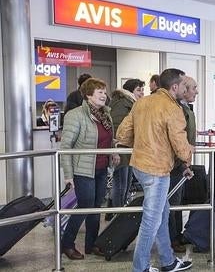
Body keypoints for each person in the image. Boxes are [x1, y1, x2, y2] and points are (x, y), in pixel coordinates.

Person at [116, 68, 194, 272]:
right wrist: (188, 156)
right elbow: (180, 146)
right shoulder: (172, 108)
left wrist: (144, 142)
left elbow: (122, 134)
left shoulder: (141, 102)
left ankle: (167, 261)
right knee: (151, 221)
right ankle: (140, 268)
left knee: (161, 212)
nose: (186, 89)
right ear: (174, 87)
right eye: (184, 86)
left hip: (139, 167)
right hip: (157, 171)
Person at [60, 78, 120, 260]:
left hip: (102, 168)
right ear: (88, 95)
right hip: (83, 170)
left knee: (95, 208)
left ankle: (91, 244)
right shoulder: (75, 115)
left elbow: (107, 140)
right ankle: (67, 244)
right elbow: (65, 146)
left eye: (104, 91)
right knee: (85, 207)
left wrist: (114, 151)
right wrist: (68, 175)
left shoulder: (106, 115)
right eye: (99, 92)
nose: (104, 95)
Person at [106, 78, 145, 221]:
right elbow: (114, 127)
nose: (142, 93)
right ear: (130, 90)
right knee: (121, 184)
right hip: (121, 150)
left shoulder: (129, 102)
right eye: (139, 90)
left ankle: (118, 213)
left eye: (142, 90)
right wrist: (114, 149)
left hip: (127, 150)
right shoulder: (123, 103)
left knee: (125, 183)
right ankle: (118, 217)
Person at [169, 76, 199, 253]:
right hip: (176, 165)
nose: (197, 91)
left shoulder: (185, 108)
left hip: (182, 163)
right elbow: (177, 141)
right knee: (173, 204)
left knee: (178, 202)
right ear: (184, 89)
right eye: (194, 88)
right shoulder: (176, 109)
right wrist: (183, 164)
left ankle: (176, 236)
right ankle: (172, 239)